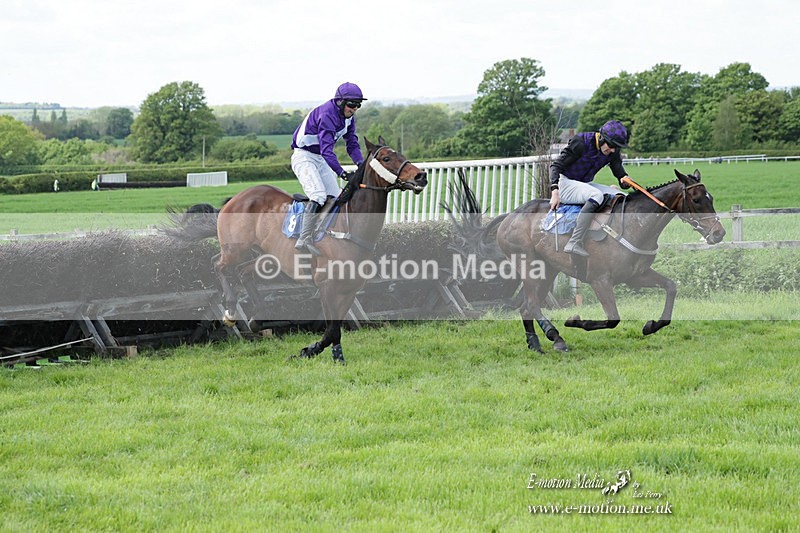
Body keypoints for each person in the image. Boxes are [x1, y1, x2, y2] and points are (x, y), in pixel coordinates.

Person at [290, 82, 367, 255]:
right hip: (304, 156)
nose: (354, 109)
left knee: (337, 197)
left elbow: (352, 144)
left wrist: (361, 164)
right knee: (318, 195)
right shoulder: (327, 115)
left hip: (319, 157)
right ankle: (304, 238)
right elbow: (327, 150)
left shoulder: (349, 117)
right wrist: (341, 173)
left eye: (358, 105)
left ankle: (326, 233)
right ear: (340, 102)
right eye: (352, 104)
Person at [549, 120, 632, 257]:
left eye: (616, 147)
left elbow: (619, 171)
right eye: (611, 146)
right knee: (596, 195)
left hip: (583, 185)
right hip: (564, 183)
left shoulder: (612, 151)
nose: (612, 150)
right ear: (602, 138)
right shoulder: (581, 142)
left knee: (621, 195)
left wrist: (625, 179)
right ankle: (574, 242)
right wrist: (555, 191)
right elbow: (555, 166)